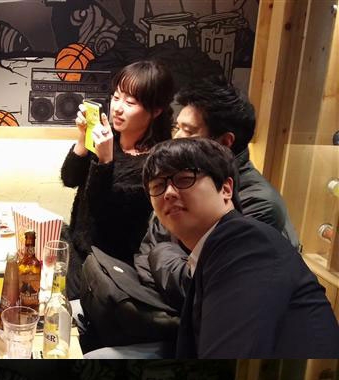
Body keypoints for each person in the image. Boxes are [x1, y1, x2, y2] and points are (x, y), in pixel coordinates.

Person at [141, 137, 339, 358]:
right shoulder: (218, 245)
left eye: (184, 179)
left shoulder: (246, 243)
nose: (168, 193)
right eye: (158, 186)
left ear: (226, 189)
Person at [134, 75, 299, 312]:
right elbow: (144, 254)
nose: (176, 139)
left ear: (224, 142)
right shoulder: (176, 181)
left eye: (188, 131)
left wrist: (160, 252)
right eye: (176, 128)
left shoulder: (258, 202)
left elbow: (200, 287)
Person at [60, 60, 174, 299]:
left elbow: (104, 214)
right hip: (77, 255)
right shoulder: (107, 137)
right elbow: (69, 178)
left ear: (156, 110)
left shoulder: (157, 163)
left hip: (109, 271)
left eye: (130, 102)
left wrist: (105, 161)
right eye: (116, 97)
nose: (118, 108)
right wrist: (83, 139)